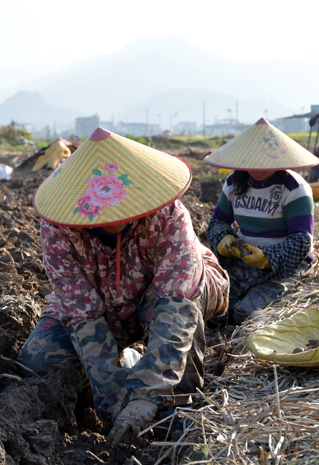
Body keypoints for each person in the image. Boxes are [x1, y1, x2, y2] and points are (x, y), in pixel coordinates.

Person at [18, 128, 230, 447]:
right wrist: (117, 405)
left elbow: (177, 305)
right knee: (40, 360)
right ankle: (131, 367)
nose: (113, 216)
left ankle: (177, 411)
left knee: (176, 309)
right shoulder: (59, 228)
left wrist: (147, 395)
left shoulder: (168, 215)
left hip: (170, 293)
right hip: (105, 303)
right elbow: (82, 314)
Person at [203, 118, 318, 325]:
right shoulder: (233, 183)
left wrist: (267, 258)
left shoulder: (294, 188)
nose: (256, 168)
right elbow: (218, 221)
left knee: (246, 315)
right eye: (251, 162)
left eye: (263, 162)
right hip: (243, 260)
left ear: (276, 159)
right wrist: (224, 239)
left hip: (286, 265)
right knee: (214, 311)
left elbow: (302, 241)